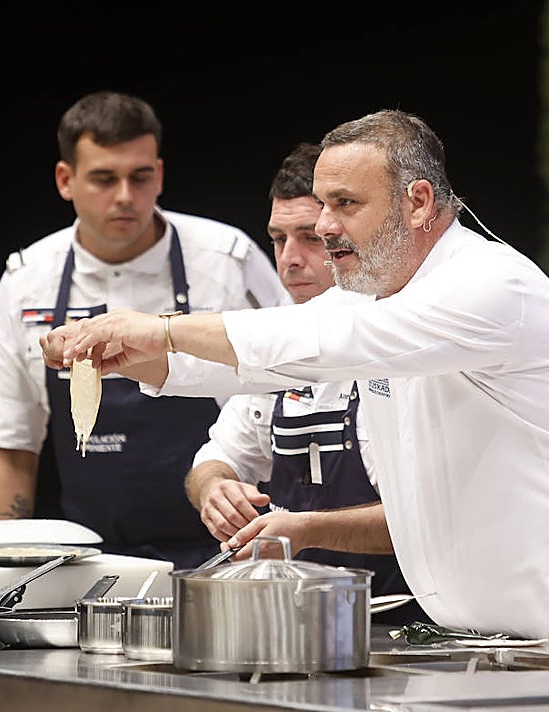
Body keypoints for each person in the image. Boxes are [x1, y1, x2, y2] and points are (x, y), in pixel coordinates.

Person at [41, 109, 549, 657]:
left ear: (418, 202)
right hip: (503, 641)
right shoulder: (374, 294)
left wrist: (155, 327)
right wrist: (118, 352)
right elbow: (265, 359)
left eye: (342, 204)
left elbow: (320, 344)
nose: (326, 226)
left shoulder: (487, 284)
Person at [0, 90, 290, 569]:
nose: (125, 196)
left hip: (227, 549)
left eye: (140, 177)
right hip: (86, 560)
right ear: (66, 180)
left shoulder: (228, 261)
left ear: (159, 174)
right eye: (104, 179)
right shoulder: (26, 280)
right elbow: (12, 438)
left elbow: (289, 392)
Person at [179, 142, 428, 623]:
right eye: (278, 239)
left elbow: (430, 516)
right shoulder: (275, 344)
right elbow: (215, 459)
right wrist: (216, 491)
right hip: (298, 626)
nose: (289, 259)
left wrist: (308, 529)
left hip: (414, 626)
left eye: (310, 238)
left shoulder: (404, 342)